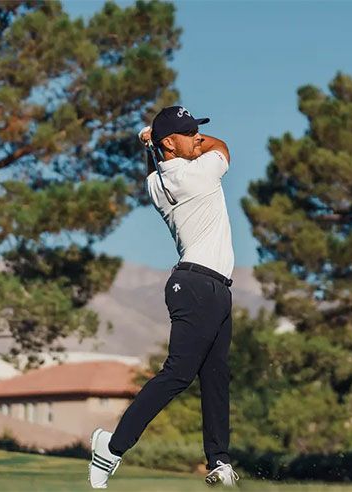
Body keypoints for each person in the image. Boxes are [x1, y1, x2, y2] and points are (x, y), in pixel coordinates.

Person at [88, 106, 238, 488]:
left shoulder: (157, 184)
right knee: (179, 373)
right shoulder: (198, 173)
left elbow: (154, 169)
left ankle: (219, 461)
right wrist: (152, 141)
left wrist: (151, 144)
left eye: (196, 131)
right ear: (170, 143)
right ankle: (112, 446)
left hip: (212, 287)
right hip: (198, 285)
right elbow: (223, 147)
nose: (198, 137)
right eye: (189, 134)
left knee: (216, 377)